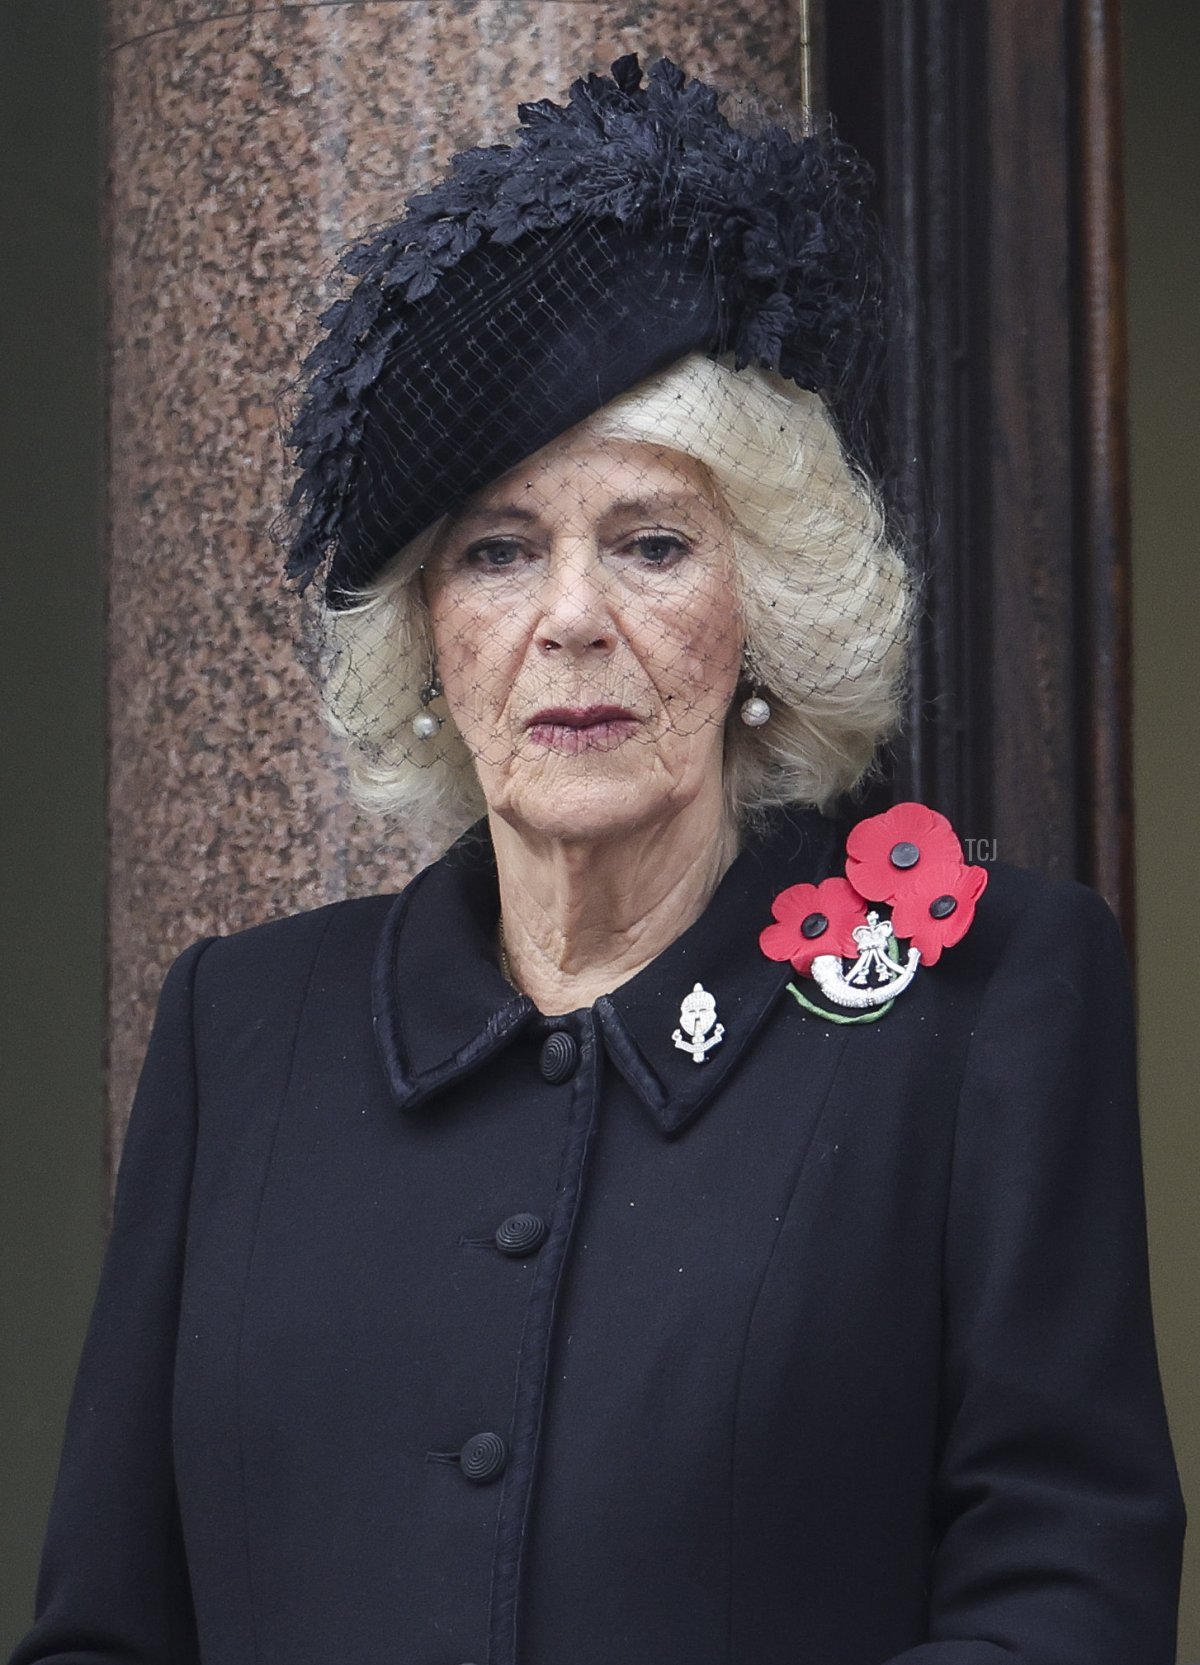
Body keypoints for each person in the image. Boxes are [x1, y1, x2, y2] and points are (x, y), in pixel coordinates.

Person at [10, 53, 1184, 1665]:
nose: (571, 619)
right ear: (431, 641)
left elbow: (1066, 1596)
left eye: (650, 542)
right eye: (496, 551)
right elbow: (103, 1628)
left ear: (758, 607)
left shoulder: (984, 1001)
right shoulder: (241, 1034)